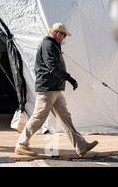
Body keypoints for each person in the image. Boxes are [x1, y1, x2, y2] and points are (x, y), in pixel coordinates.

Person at [15, 23, 98, 157]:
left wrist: (66, 79)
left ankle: (81, 146)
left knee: (66, 118)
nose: (64, 38)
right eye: (63, 35)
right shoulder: (48, 44)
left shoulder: (53, 45)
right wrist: (69, 78)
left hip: (54, 89)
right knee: (38, 118)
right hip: (47, 89)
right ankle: (21, 144)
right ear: (57, 33)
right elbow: (52, 66)